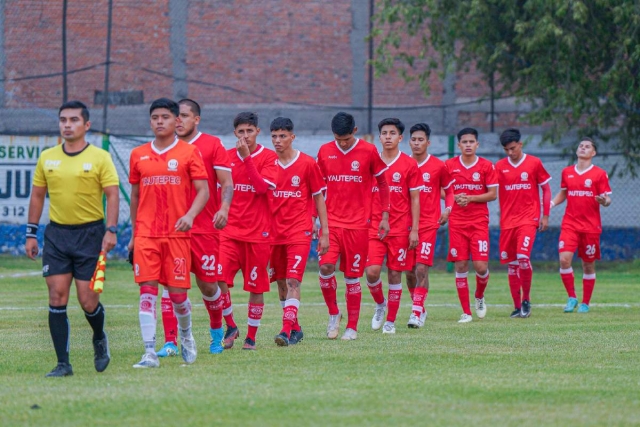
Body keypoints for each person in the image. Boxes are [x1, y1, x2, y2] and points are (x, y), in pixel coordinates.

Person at [26, 100, 119, 377]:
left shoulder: (100, 157)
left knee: (88, 300)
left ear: (86, 125)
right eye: (63, 120)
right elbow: (38, 195)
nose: (67, 125)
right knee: (56, 296)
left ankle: (99, 338)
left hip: (90, 234)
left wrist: (111, 230)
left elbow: (113, 194)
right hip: (56, 235)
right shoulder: (47, 157)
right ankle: (63, 364)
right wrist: (31, 233)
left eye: (73, 120)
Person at [128, 98, 209, 368]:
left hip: (176, 235)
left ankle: (186, 335)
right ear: (150, 121)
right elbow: (136, 196)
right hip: (146, 235)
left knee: (178, 297)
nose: (159, 121)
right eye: (155, 117)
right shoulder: (138, 154)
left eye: (165, 117)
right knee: (147, 291)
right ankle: (149, 352)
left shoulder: (189, 152)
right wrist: (133, 234)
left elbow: (203, 192)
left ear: (176, 121)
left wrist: (189, 215)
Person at [154, 99, 234, 357]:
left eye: (184, 116)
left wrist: (223, 209)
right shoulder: (163, 147)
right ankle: (170, 341)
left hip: (204, 230)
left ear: (196, 119)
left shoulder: (212, 145)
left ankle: (216, 333)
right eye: (176, 116)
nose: (178, 121)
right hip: (173, 230)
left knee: (209, 287)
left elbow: (227, 183)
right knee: (171, 285)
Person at [316, 112, 390, 340]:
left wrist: (385, 216)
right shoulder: (325, 151)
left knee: (352, 276)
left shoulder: (368, 151)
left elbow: (383, 183)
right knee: (326, 268)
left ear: (355, 131)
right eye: (338, 139)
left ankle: (353, 327)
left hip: (359, 226)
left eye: (346, 138)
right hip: (331, 224)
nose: (343, 143)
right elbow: (317, 190)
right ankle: (334, 314)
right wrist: (314, 219)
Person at [218, 112, 278, 350]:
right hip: (229, 232)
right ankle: (231, 325)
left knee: (256, 287)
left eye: (249, 131)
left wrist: (247, 160)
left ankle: (251, 337)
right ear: (235, 133)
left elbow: (262, 189)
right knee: (217, 279)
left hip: (258, 235)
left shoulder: (269, 157)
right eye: (241, 132)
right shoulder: (226, 158)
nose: (245, 136)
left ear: (257, 132)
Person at [268, 117, 329, 346]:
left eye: (283, 136)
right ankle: (296, 328)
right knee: (281, 283)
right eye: (274, 136)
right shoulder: (267, 163)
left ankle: (285, 330)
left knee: (294, 280)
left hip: (299, 231)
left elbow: (319, 197)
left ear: (292, 137)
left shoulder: (307, 163)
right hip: (273, 234)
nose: (278, 140)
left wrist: (324, 231)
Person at [365, 118, 422, 334]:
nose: (388, 137)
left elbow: (415, 199)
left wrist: (414, 229)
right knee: (371, 272)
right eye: (384, 133)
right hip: (373, 228)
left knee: (395, 275)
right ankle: (380, 304)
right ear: (379, 137)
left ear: (400, 138)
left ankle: (390, 321)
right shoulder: (371, 162)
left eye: (392, 133)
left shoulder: (409, 164)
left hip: (399, 229)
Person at [496, 128, 552, 318]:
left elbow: (546, 189)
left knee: (522, 257)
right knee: (512, 264)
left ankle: (526, 299)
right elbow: (490, 190)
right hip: (507, 222)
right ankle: (517, 306)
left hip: (529, 219)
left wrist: (545, 216)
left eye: (513, 148)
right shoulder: (499, 167)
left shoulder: (534, 163)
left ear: (520, 144)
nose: (510, 153)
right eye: (506, 150)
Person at [551, 138, 611, 313]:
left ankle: (585, 302)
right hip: (570, 224)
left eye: (587, 147)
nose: (583, 148)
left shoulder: (599, 174)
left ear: (593, 153)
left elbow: (607, 198)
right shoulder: (567, 171)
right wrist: (550, 204)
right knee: (564, 260)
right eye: (581, 146)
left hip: (590, 227)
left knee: (588, 265)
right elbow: (563, 193)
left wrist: (604, 201)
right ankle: (572, 297)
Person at [445, 128, 498, 323]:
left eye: (471, 142)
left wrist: (471, 198)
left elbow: (493, 194)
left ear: (477, 144)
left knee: (481, 266)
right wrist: (453, 197)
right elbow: (441, 191)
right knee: (460, 264)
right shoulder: (449, 166)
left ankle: (479, 296)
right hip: (457, 222)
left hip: (478, 222)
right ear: (459, 145)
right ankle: (466, 312)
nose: (468, 145)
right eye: (464, 142)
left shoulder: (486, 166)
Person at [405, 123, 454, 328]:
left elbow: (450, 191)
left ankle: (416, 313)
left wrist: (447, 209)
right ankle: (420, 306)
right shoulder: (403, 164)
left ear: (428, 142)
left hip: (428, 224)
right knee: (408, 272)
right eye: (414, 140)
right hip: (405, 225)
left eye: (421, 140)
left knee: (421, 269)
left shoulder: (438, 166)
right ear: (409, 142)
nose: (417, 143)